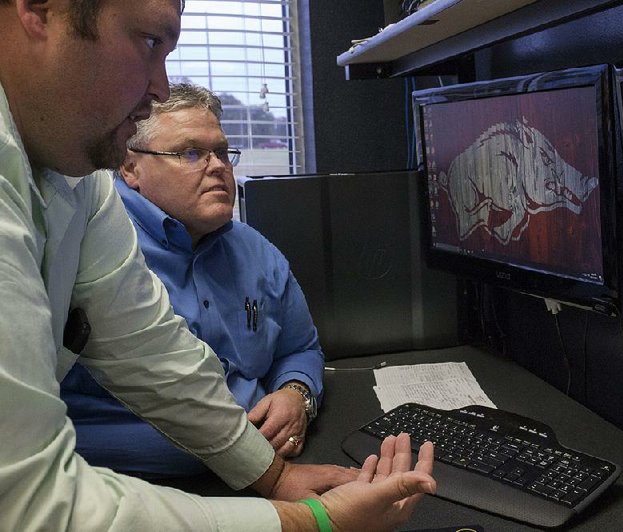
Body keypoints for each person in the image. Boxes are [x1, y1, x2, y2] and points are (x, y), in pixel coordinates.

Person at [0, 1, 435, 530]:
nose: (160, 87)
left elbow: (153, 353)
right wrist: (309, 523)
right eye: (150, 42)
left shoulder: (80, 181)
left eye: (222, 153)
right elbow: (31, 504)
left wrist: (273, 477)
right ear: (39, 10)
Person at [61, 83, 323, 477]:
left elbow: (301, 347)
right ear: (131, 167)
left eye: (221, 152)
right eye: (191, 153)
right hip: (143, 489)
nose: (217, 166)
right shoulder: (92, 246)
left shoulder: (254, 250)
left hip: (272, 464)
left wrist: (296, 393)